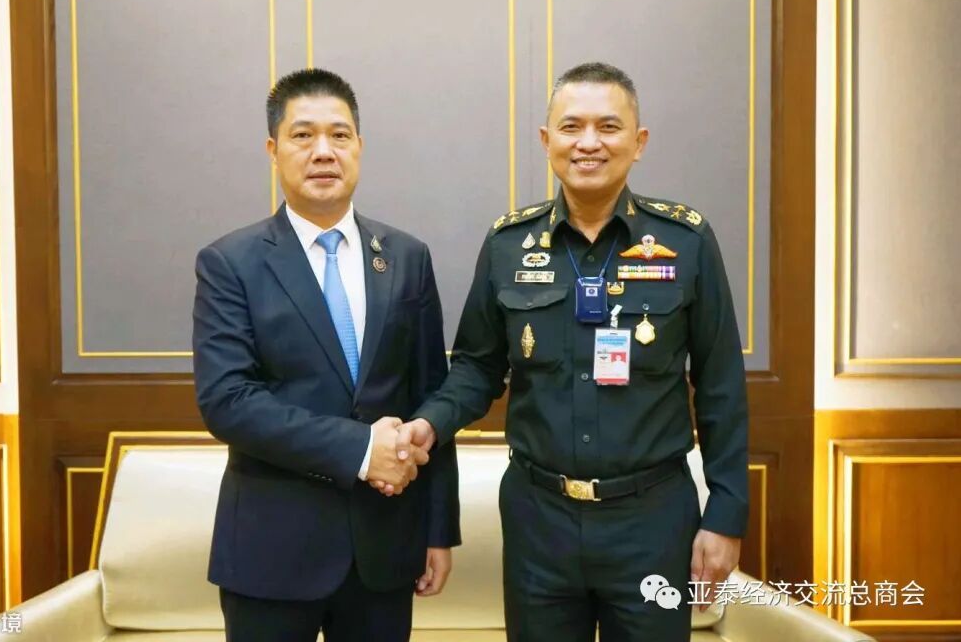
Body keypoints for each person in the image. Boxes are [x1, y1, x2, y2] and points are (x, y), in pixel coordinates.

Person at [390, 62, 748, 641]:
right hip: (540, 519)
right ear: (546, 140)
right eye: (571, 126)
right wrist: (430, 422)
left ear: (639, 142)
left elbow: (721, 386)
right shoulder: (509, 244)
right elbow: (478, 367)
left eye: (608, 126)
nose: (588, 142)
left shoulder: (685, 242)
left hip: (652, 518)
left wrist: (726, 514)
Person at [192, 68, 460, 642]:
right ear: (273, 150)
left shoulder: (406, 257)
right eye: (302, 135)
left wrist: (438, 531)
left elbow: (431, 394)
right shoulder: (230, 263)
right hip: (271, 551)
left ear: (359, 146)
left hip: (385, 549)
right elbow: (228, 402)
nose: (323, 151)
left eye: (339, 135)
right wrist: (361, 449)